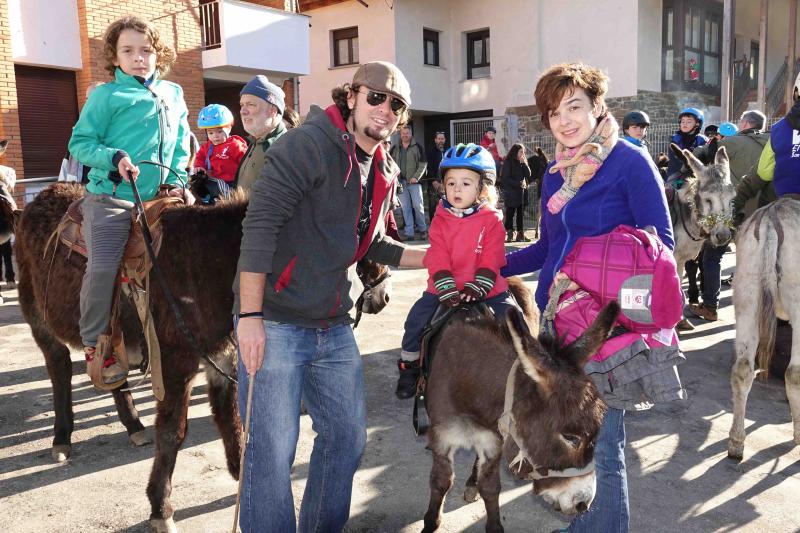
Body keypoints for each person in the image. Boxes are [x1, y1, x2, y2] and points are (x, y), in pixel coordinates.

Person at [234, 61, 426, 533]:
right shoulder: (308, 145)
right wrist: (251, 315)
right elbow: (258, 230)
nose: (385, 110)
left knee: (345, 438)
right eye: (377, 97)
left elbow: (373, 240)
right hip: (275, 321)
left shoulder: (381, 165)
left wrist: (438, 258)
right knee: (272, 450)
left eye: (396, 105)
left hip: (332, 324)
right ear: (353, 95)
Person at [502, 63, 673, 533]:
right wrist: (491, 263)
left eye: (574, 106)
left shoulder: (629, 162)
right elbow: (547, 248)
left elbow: (661, 246)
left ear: (598, 107)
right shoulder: (557, 174)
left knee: (604, 447)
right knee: (570, 441)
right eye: (554, 112)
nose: (565, 120)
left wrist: (625, 320)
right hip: (557, 329)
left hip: (602, 332)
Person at [68, 15, 192, 386]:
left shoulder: (173, 92)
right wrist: (114, 158)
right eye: (128, 50)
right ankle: (94, 343)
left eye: (146, 50)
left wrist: (178, 180)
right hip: (112, 199)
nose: (139, 57)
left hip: (162, 197)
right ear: (115, 55)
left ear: (158, 54)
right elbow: (80, 144)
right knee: (104, 268)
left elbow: (182, 142)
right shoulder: (106, 95)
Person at [395, 143, 516, 399]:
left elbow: (492, 256)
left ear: (482, 188)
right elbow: (438, 254)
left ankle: (528, 371)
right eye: (451, 183)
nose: (457, 189)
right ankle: (411, 368)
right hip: (443, 286)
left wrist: (479, 285)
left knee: (516, 321)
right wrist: (445, 285)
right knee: (415, 320)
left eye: (466, 183)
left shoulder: (492, 220)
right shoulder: (440, 218)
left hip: (487, 288)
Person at [686, 111, 768, 322]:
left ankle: (711, 307)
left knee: (712, 257)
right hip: (764, 212)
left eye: (740, 121)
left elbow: (703, 154)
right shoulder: (771, 141)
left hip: (732, 210)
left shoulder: (732, 142)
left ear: (746, 123)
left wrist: (706, 144)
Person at [234, 75, 288, 191]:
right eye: (242, 105)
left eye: (251, 105)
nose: (243, 111)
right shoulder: (255, 142)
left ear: (273, 111)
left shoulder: (285, 148)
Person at [193, 104, 247, 184]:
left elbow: (246, 163)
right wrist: (199, 166)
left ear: (229, 128)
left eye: (219, 131)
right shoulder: (206, 147)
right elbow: (200, 157)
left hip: (232, 182)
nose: (215, 136)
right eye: (210, 133)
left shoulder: (235, 145)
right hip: (212, 182)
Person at [391, 125, 428, 240]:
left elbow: (423, 164)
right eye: (403, 133)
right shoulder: (395, 148)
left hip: (414, 183)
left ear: (411, 134)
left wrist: (416, 177)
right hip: (401, 183)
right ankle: (409, 232)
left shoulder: (418, 147)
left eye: (407, 133)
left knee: (418, 206)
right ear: (400, 134)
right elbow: (391, 163)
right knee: (405, 207)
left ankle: (423, 229)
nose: (405, 135)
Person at [499, 143, 532, 242]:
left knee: (520, 213)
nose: (523, 154)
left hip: (522, 192)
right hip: (512, 192)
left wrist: (524, 164)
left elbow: (528, 174)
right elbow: (505, 178)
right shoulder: (508, 162)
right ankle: (509, 233)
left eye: (523, 152)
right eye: (521, 152)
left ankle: (520, 234)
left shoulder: (522, 161)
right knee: (510, 213)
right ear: (515, 152)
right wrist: (518, 183)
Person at [666, 107, 707, 178]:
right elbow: (675, 163)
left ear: (697, 124)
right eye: (682, 121)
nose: (685, 124)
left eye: (689, 121)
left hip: (698, 176)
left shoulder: (703, 140)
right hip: (676, 176)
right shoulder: (675, 139)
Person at [425, 131, 448, 217]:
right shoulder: (430, 151)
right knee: (433, 206)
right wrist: (433, 181)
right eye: (439, 139)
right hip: (433, 182)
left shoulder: (447, 152)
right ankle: (432, 225)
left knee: (446, 205)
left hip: (445, 182)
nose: (440, 140)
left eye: (442, 139)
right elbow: (428, 167)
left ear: (444, 140)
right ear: (435, 140)